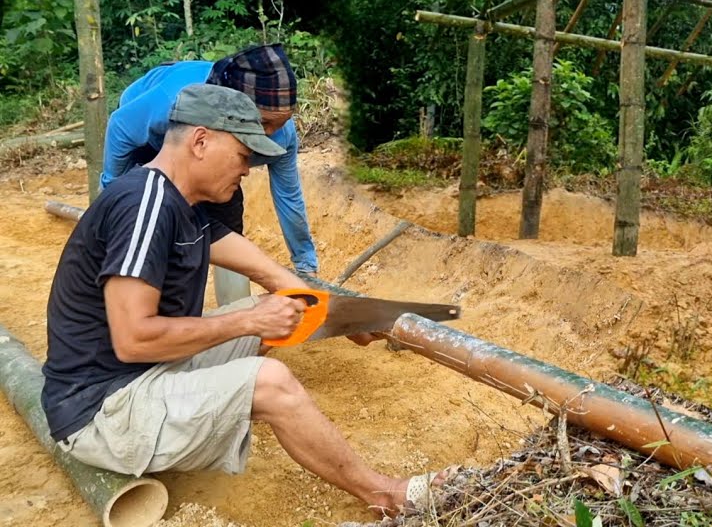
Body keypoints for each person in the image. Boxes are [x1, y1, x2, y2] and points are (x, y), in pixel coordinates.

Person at [42, 84, 443, 514]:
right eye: (242, 155)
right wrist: (250, 324)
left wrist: (345, 315)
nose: (247, 170)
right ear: (201, 141)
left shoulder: (182, 206)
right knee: (269, 380)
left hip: (139, 375)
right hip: (102, 412)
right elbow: (134, 339)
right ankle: (385, 495)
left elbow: (275, 279)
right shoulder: (146, 205)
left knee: (272, 310)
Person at [101, 44, 317, 305]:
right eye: (264, 123)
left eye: (280, 123)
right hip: (149, 140)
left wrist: (305, 262)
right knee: (157, 217)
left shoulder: (282, 135)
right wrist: (111, 196)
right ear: (235, 110)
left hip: (212, 145)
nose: (271, 133)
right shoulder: (170, 102)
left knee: (226, 219)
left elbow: (289, 197)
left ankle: (234, 308)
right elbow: (120, 128)